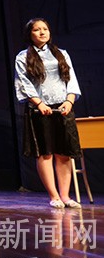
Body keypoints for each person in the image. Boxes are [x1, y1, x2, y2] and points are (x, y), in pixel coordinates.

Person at [14, 18, 82, 209]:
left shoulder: (61, 54)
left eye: (45, 29)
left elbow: (71, 79)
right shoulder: (23, 57)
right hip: (40, 110)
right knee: (46, 153)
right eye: (37, 30)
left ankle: (65, 196)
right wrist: (39, 103)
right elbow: (24, 83)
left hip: (63, 108)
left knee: (64, 154)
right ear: (30, 34)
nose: (42, 32)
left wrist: (69, 101)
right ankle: (54, 196)